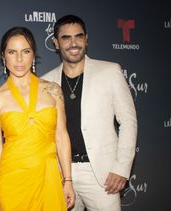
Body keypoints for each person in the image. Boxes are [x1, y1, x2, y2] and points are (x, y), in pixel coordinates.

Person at [42, 15, 138, 211]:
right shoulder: (45, 82)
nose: (73, 43)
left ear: (86, 39)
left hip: (102, 175)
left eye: (78, 36)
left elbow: (128, 122)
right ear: (55, 43)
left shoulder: (110, 71)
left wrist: (121, 168)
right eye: (66, 38)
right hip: (61, 174)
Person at [0, 26, 75, 210]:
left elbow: (61, 136)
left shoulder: (53, 91)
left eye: (25, 51)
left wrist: (68, 180)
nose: (19, 59)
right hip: (12, 181)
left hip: (49, 178)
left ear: (33, 55)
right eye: (12, 52)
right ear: (4, 57)